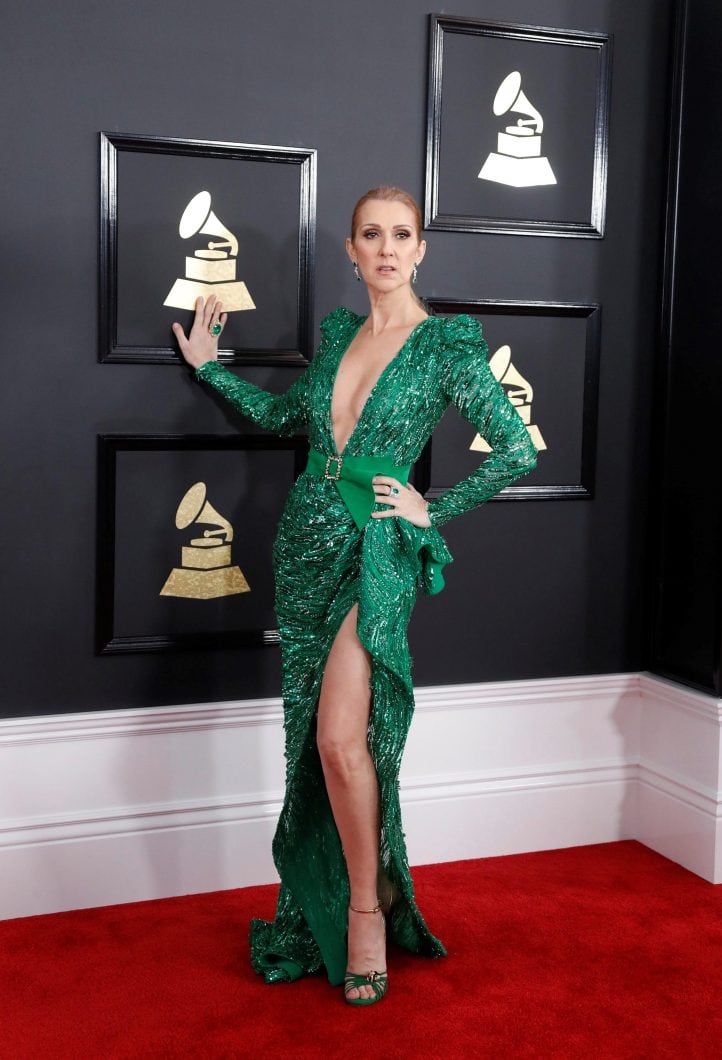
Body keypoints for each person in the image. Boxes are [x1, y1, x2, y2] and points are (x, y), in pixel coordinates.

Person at [173, 186, 537, 1006]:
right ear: (350, 249)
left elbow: (515, 446)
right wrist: (209, 371)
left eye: (401, 235)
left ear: (420, 250)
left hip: (375, 551)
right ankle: (333, 901)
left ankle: (367, 912)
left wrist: (429, 506)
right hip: (303, 544)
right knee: (316, 741)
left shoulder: (443, 345)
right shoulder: (339, 338)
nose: (385, 248)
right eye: (370, 234)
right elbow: (283, 421)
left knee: (344, 740)